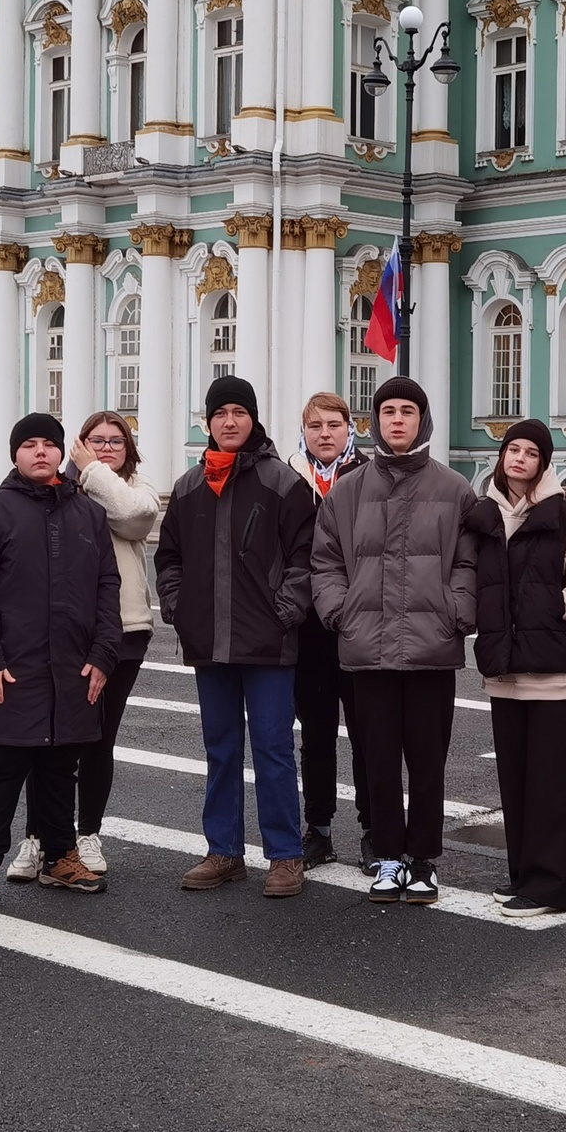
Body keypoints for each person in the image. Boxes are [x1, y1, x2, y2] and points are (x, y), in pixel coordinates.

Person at [310, 375, 477, 904]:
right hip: (368, 648)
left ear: (422, 420)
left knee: (428, 760)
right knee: (377, 758)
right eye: (388, 412)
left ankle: (423, 860)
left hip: (431, 649)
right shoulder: (349, 491)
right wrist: (341, 613)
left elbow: (469, 563)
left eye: (407, 411)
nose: (397, 420)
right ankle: (386, 856)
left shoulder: (453, 489)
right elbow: (326, 562)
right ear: (375, 421)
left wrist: (458, 611)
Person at [0, 414, 123, 909]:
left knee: (59, 764)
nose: (41, 452)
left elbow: (107, 586)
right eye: (30, 444)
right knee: (2, 767)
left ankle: (60, 856)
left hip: (72, 665)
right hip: (9, 665)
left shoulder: (87, 513)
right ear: (15, 454)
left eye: (50, 443)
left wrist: (103, 654)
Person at [154, 375, 316, 898]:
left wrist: (285, 612)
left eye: (238, 413)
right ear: (208, 422)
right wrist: (180, 609)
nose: (229, 422)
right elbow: (170, 558)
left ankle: (285, 856)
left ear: (253, 419)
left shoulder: (282, 483)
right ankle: (223, 851)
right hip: (210, 642)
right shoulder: (187, 485)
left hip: (268, 644)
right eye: (220, 414)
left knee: (272, 749)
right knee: (220, 749)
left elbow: (305, 557)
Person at [468, 419, 566, 918]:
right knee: (517, 782)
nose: (519, 458)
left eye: (530, 452)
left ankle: (552, 888)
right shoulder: (484, 517)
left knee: (553, 786)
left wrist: (552, 608)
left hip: (557, 672)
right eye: (512, 449)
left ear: (544, 463)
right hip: (506, 671)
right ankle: (524, 876)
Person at [60, 408, 160, 880]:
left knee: (100, 737)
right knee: (54, 738)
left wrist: (94, 471)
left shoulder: (137, 490)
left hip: (125, 628)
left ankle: (88, 833)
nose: (105, 449)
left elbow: (133, 517)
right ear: (79, 445)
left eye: (114, 442)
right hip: (64, 631)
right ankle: (45, 837)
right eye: (95, 442)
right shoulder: (57, 490)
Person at [286, 391, 365, 869]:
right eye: (315, 426)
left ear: (349, 428)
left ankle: (374, 831)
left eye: (334, 425)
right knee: (315, 735)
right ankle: (318, 830)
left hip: (359, 626)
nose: (325, 434)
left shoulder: (368, 476)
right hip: (308, 631)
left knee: (367, 735)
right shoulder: (291, 479)